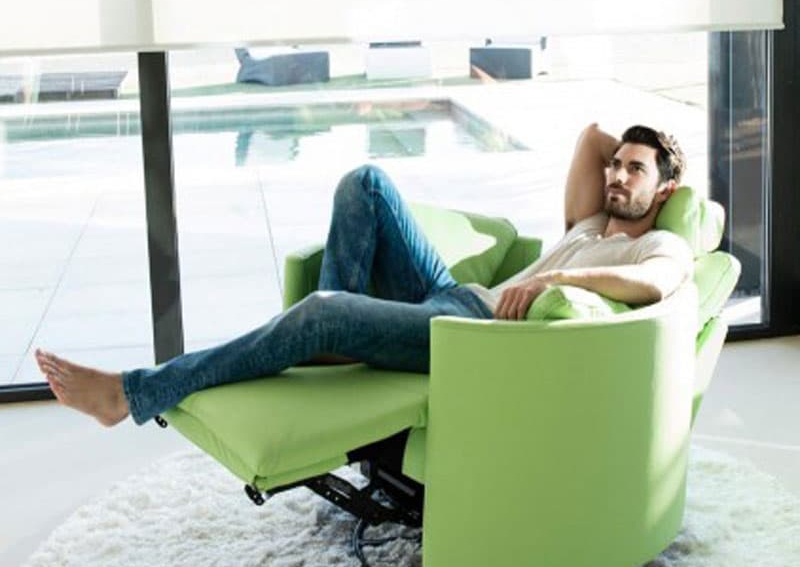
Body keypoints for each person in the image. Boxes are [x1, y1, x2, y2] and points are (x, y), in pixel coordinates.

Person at [35, 123, 693, 429]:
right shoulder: (589, 222)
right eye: (618, 166)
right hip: (454, 299)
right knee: (367, 183)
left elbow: (658, 285)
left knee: (322, 311)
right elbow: (590, 137)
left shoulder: (658, 244)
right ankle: (334, 334)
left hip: (473, 335)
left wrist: (556, 284)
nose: (615, 174)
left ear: (664, 190)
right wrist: (644, 149)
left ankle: (132, 394)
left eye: (634, 171)